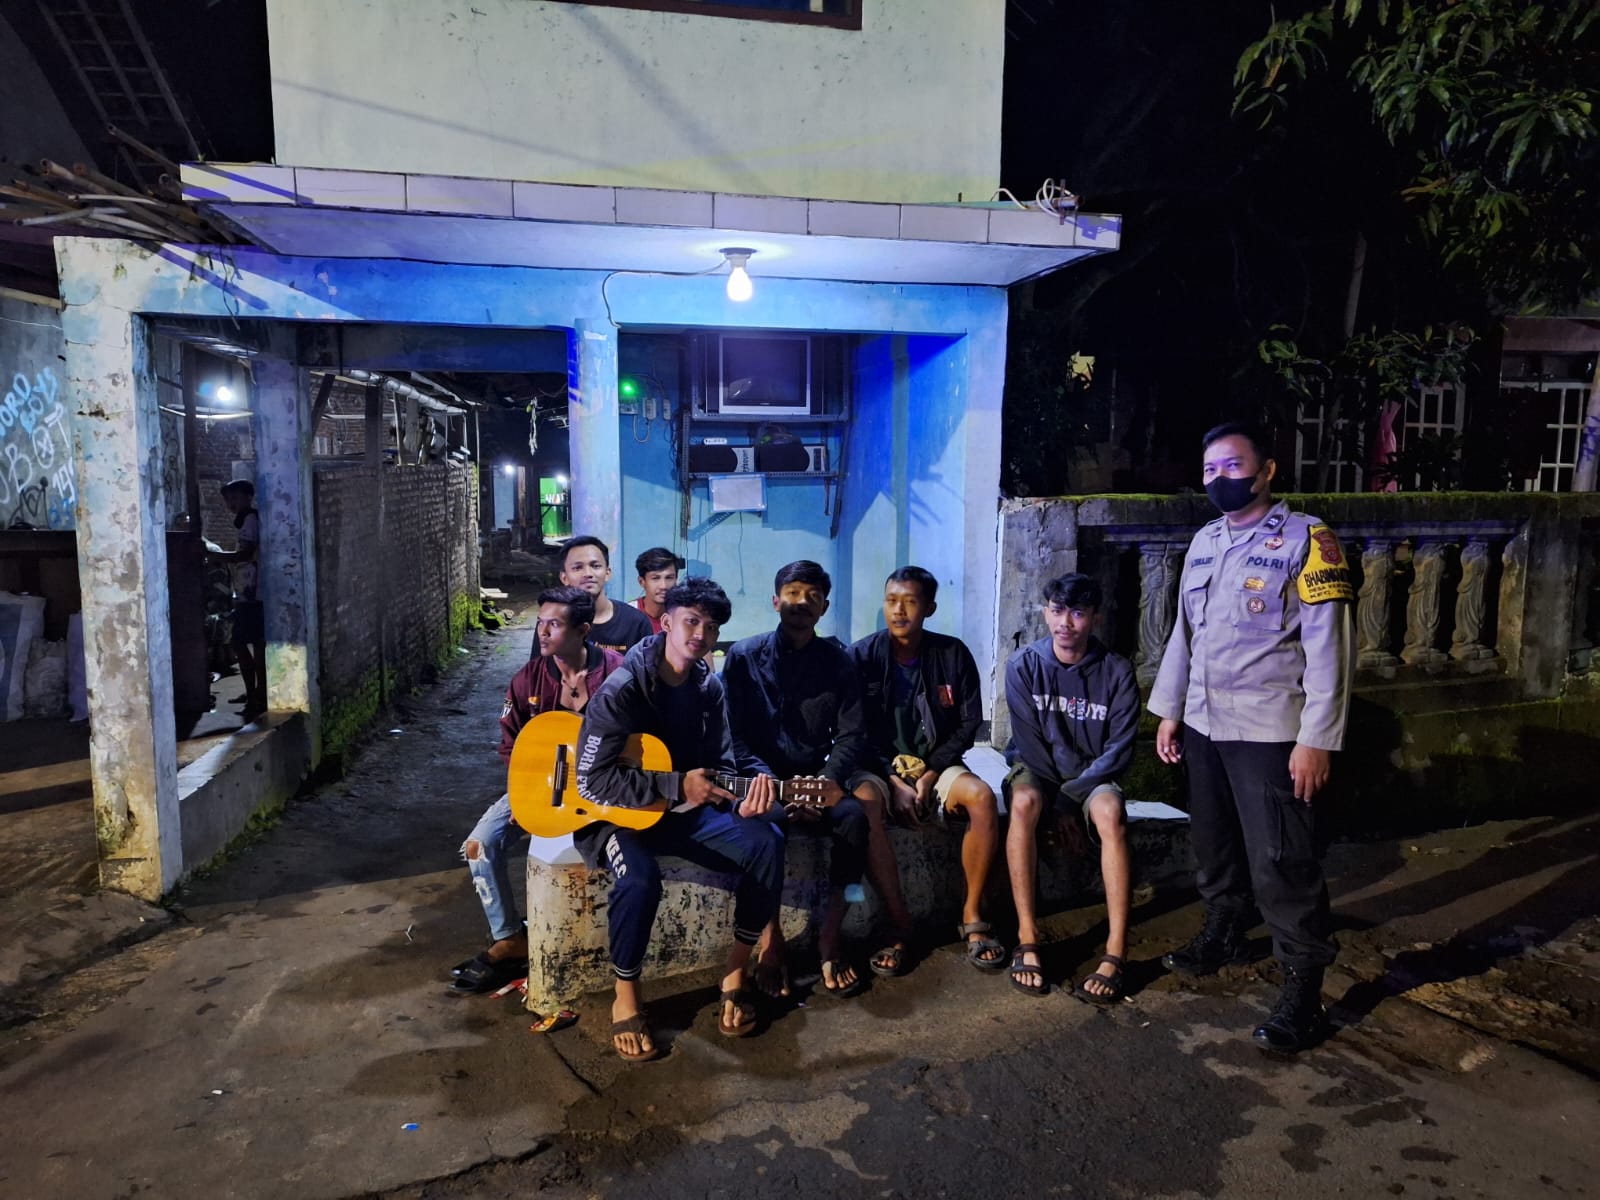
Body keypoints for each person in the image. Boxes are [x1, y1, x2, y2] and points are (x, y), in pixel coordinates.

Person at [1150, 421, 1355, 1053]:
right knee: (1213, 844)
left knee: (1281, 859)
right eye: (1210, 469)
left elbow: (1331, 649)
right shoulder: (1205, 541)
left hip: (1270, 729)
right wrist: (1170, 710)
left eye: (1233, 466)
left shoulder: (1309, 540)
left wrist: (1317, 738)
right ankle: (1225, 931)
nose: (1219, 478)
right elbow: (1184, 633)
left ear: (1267, 471)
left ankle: (1304, 990)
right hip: (1205, 722)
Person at [573, 577, 785, 1061]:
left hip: (685, 813)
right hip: (619, 818)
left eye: (711, 628)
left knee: (767, 841)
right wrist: (674, 785)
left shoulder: (709, 688)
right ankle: (626, 994)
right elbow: (590, 780)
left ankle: (735, 970)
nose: (701, 635)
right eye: (691, 622)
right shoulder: (623, 688)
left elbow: (722, 765)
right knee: (639, 879)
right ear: (666, 622)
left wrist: (739, 800)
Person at [722, 561, 892, 999]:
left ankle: (831, 934)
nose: (801, 602)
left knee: (855, 820)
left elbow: (852, 734)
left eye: (812, 596)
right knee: (764, 830)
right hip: (761, 781)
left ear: (824, 607)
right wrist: (771, 784)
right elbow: (733, 735)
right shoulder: (743, 657)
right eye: (792, 593)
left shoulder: (839, 661)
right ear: (775, 600)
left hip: (818, 781)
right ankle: (771, 939)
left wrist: (825, 782)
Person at [450, 586, 624, 998]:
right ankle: (509, 936)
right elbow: (510, 744)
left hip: (604, 791)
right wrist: (525, 792)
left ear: (582, 630)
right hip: (542, 785)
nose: (542, 632)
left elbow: (639, 738)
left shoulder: (617, 674)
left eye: (554, 625)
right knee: (480, 844)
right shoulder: (527, 679)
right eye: (541, 623)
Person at [850, 566, 1003, 973]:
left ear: (929, 608)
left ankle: (973, 916)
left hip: (937, 765)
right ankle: (898, 922)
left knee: (982, 798)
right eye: (891, 601)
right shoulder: (862, 657)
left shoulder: (951, 654)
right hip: (879, 768)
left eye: (910, 601)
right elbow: (854, 731)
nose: (899, 610)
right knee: (864, 803)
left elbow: (969, 723)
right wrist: (894, 780)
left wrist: (931, 772)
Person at [1003, 573, 1140, 1000]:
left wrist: (1068, 800)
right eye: (1058, 611)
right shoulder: (1023, 665)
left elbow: (1119, 749)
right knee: (1023, 802)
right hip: (1038, 770)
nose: (1066, 623)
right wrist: (1056, 803)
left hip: (1091, 774)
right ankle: (1028, 936)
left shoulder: (1116, 671)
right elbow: (1029, 744)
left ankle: (1115, 950)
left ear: (1095, 618)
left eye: (1078, 613)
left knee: (1110, 814)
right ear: (1046, 613)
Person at [206, 479, 265, 721]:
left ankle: (254, 696)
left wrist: (215, 556)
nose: (231, 503)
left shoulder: (249, 519)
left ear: (247, 497)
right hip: (250, 592)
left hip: (251, 594)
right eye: (228, 499)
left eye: (235, 498)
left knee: (242, 644)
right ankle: (256, 694)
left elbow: (245, 554)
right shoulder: (247, 519)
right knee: (254, 646)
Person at [560, 535, 653, 652]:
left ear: (607, 573)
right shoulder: (554, 623)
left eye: (595, 566)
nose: (588, 573)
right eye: (577, 568)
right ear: (564, 578)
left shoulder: (636, 623)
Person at [632, 546, 685, 634]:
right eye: (655, 578)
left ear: (676, 580)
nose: (663, 586)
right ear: (642, 582)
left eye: (669, 578)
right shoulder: (628, 613)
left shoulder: (685, 614)